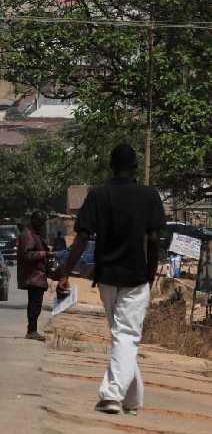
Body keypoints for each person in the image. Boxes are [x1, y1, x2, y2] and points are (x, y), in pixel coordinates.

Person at [59, 143, 164, 416]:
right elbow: (153, 241)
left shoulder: (98, 196)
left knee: (122, 337)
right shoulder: (149, 196)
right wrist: (150, 276)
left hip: (107, 278)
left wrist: (64, 274)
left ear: (110, 165)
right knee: (125, 337)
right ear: (135, 167)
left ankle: (123, 398)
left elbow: (81, 238)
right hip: (136, 277)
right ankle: (118, 398)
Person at [17, 210, 51, 341]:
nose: (42, 225)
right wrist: (44, 254)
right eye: (41, 222)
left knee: (36, 305)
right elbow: (26, 255)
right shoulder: (28, 235)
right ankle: (31, 331)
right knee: (34, 305)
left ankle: (32, 330)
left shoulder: (34, 234)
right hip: (33, 277)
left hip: (38, 276)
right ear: (35, 221)